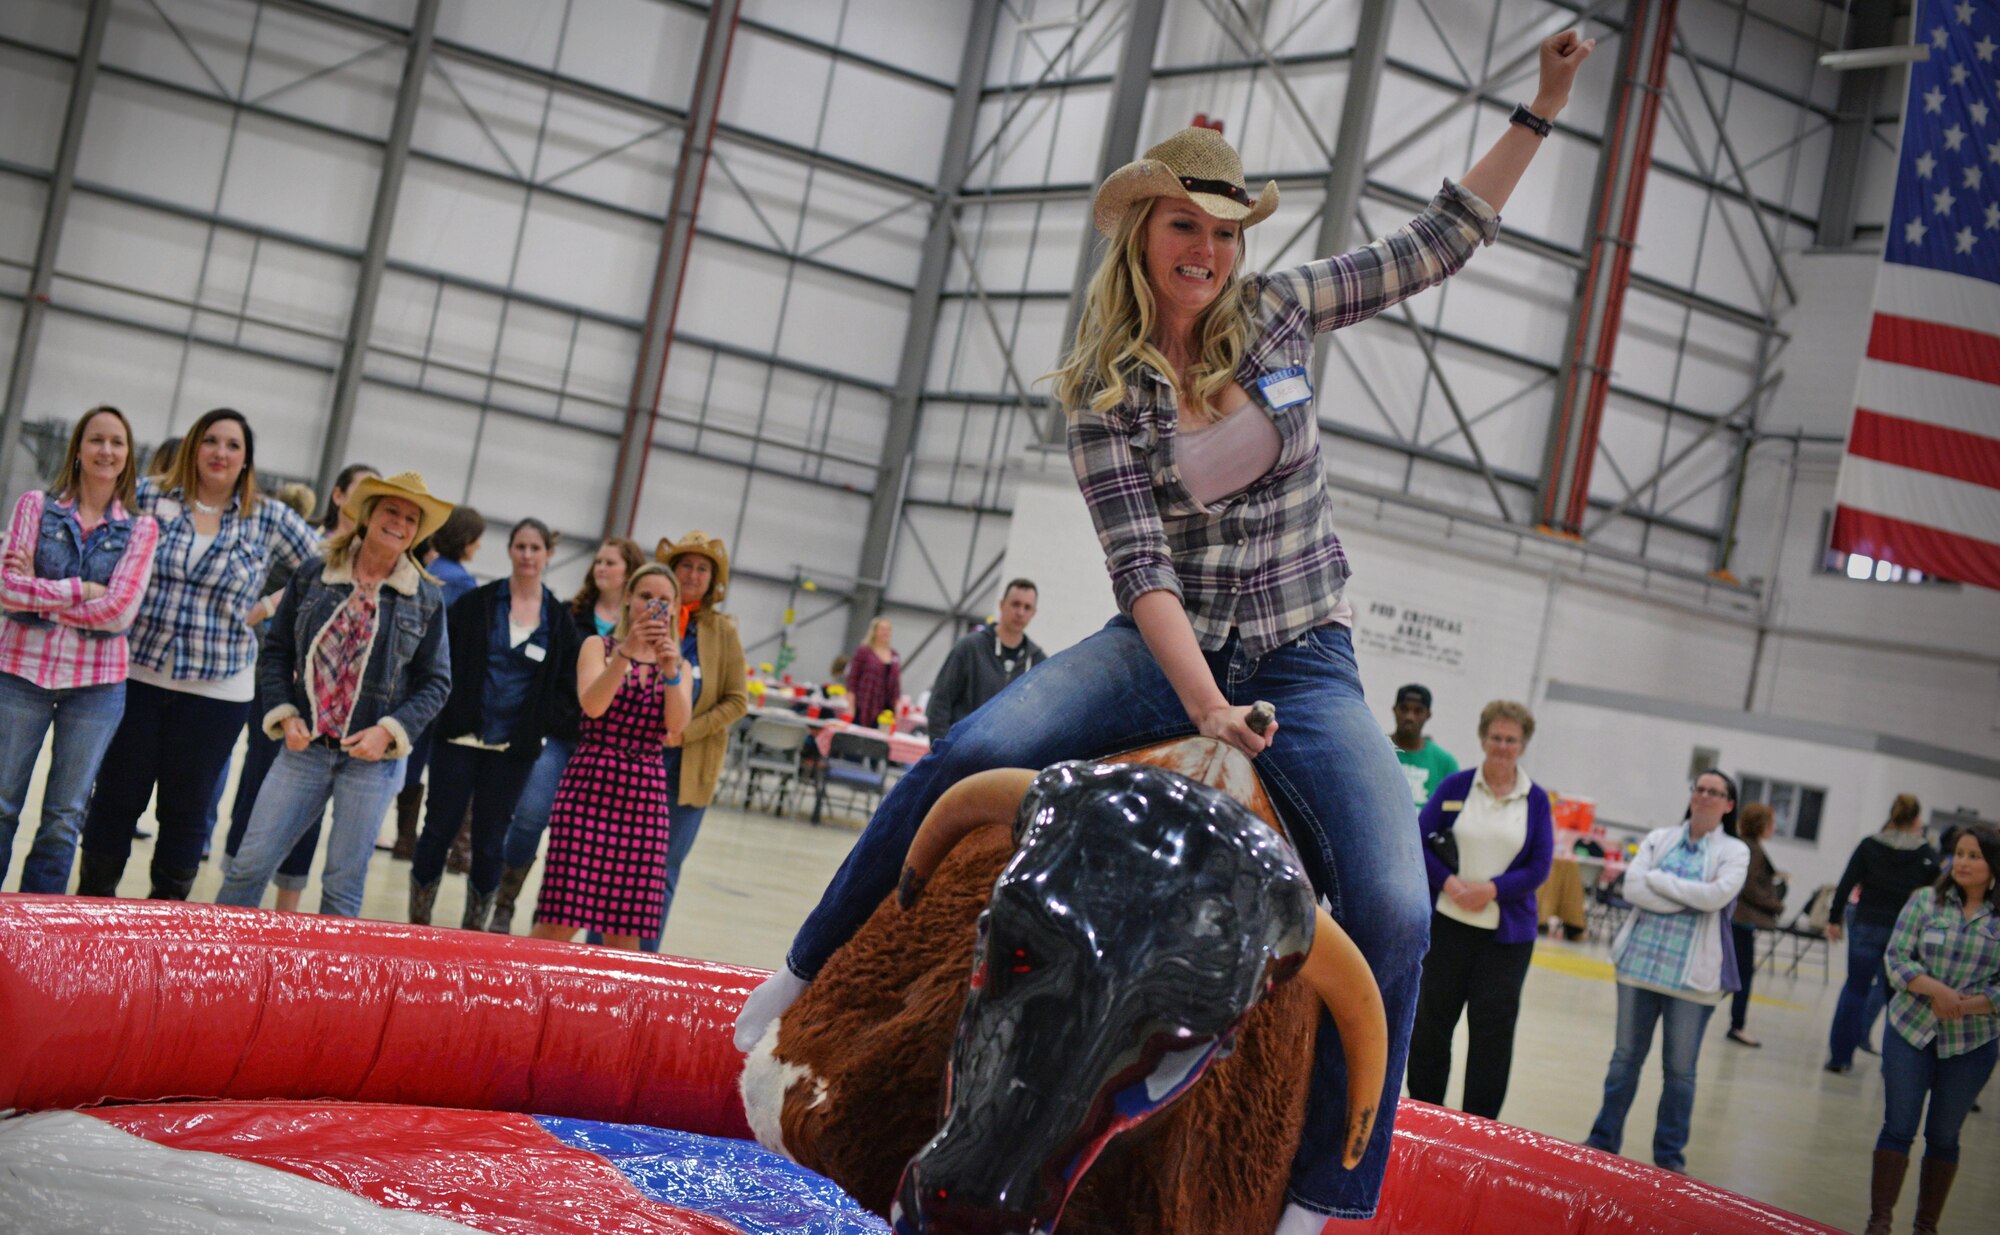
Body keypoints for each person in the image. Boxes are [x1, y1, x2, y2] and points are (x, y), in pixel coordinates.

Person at [734, 32, 1597, 1228]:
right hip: (1160, 646)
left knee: (1395, 907)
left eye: (1227, 230)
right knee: (966, 753)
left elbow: (1435, 243)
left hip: (1305, 656)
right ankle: (796, 974)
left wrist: (1542, 107)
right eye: (1185, 225)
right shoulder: (1102, 388)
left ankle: (1330, 1194)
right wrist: (1200, 706)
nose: (1207, 250)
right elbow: (1139, 569)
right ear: (1141, 229)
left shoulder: (1284, 312)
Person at [74, 408, 319, 900]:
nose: (220, 452)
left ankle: (166, 938)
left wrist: (269, 605)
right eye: (210, 440)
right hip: (135, 678)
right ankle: (91, 921)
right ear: (193, 447)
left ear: (246, 460)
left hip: (217, 692)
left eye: (233, 445)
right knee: (115, 802)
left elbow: (324, 565)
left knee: (186, 813)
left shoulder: (267, 517)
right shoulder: (147, 496)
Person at [215, 474, 453, 917]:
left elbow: (437, 683)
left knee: (343, 886)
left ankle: (329, 986)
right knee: (249, 866)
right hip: (304, 750)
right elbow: (277, 650)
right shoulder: (316, 573)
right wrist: (286, 715)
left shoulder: (424, 599)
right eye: (390, 511)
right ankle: (216, 970)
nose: (399, 523)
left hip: (371, 762)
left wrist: (388, 732)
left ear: (417, 532)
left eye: (410, 518)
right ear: (368, 516)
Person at [0, 407, 159, 892]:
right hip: (19, 672)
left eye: (117, 442)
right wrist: (84, 590)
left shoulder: (141, 528)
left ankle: (34, 935)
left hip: (95, 687)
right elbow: (7, 591)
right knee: (2, 804)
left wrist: (41, 593)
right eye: (96, 440)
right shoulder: (35, 506)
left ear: (128, 456)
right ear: (78, 448)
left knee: (64, 816)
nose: (106, 451)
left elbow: (119, 613)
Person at [408, 517, 579, 930]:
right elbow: (442, 662)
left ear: (548, 555)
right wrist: (451, 714)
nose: (527, 555)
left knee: (490, 843)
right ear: (509, 551)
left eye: (535, 548)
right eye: (520, 546)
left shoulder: (558, 619)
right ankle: (416, 923)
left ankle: (475, 930)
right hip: (459, 740)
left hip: (512, 752)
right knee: (437, 830)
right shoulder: (477, 604)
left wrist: (537, 724)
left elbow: (565, 685)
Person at [224, 462, 379, 912]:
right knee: (257, 787)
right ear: (337, 496)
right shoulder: (304, 544)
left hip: (332, 713)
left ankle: (288, 907)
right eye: (361, 493)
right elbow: (272, 605)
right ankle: (238, 892)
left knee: (310, 811)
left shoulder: (378, 567)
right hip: (280, 695)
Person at [1583, 770, 1748, 1173]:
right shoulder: (1660, 838)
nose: (1705, 796)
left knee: (1679, 1071)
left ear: (1729, 804)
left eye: (1716, 793)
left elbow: (1716, 897)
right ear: (1692, 795)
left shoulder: (1735, 852)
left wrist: (1660, 882)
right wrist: (1685, 895)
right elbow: (1633, 889)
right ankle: (1603, 1142)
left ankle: (1669, 1158)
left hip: (1692, 982)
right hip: (1638, 968)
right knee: (1624, 1060)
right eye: (1700, 789)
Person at [529, 564, 693, 949]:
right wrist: (626, 654)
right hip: (589, 785)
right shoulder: (597, 647)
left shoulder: (679, 666)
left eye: (663, 600)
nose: (653, 606)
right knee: (558, 920)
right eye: (645, 597)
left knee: (625, 931)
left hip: (643, 797)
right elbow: (593, 706)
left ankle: (609, 1010)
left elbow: (676, 727)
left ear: (673, 610)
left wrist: (669, 671)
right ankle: (520, 1000)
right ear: (628, 600)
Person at [487, 536, 645, 934]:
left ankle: (583, 921)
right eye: (598, 561)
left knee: (588, 840)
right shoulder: (569, 613)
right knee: (530, 817)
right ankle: (506, 901)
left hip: (610, 746)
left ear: (630, 572)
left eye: (610, 562)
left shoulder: (639, 625)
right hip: (562, 734)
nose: (601, 568)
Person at [1407, 700, 1553, 1120]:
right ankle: (1426, 1115)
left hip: (1505, 941)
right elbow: (1421, 839)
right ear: (1483, 739)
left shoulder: (1536, 801)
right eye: (1496, 738)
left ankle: (1479, 1126)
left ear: (1522, 745)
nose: (1502, 746)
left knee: (1492, 1035)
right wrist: (1449, 884)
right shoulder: (1455, 786)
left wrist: (1491, 889)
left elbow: (1539, 866)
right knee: (1431, 1027)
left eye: (1511, 740)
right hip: (1448, 929)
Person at [1864, 824, 1998, 1235]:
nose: (1962, 862)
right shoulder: (1925, 901)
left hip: (1972, 1041)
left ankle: (1926, 1227)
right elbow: (1897, 957)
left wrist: (1965, 1005)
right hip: (1910, 1028)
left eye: (1974, 855)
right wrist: (1937, 991)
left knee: (1943, 1136)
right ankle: (1880, 1223)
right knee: (1899, 1126)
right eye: (1959, 853)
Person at [391, 503, 483, 861]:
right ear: (467, 539)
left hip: (407, 676)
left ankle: (403, 838)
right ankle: (450, 847)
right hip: (438, 680)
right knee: (437, 760)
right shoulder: (461, 581)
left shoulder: (426, 569)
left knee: (409, 755)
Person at [1826, 794, 1941, 1074]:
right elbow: (1937, 895)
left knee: (1855, 989)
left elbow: (1846, 882)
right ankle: (1894, 1064)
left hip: (1866, 924)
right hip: (1904, 932)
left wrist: (1834, 918)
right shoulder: (1925, 854)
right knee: (1898, 999)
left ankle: (1840, 1058)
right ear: (1916, 819)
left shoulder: (1870, 845)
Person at [925, 579, 1045, 738]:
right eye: (1015, 604)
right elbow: (939, 704)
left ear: (1033, 613)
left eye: (1027, 607)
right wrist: (944, 754)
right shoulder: (969, 648)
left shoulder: (1038, 662)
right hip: (961, 755)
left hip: (1008, 760)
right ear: (1002, 605)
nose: (1020, 612)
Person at [1724, 802, 1785, 1047]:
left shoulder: (1744, 846)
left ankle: (1737, 1023)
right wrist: (1774, 904)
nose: (1774, 827)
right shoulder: (1753, 850)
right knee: (1741, 975)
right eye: (1771, 822)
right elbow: (1749, 886)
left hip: (1739, 919)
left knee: (1737, 973)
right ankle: (1737, 1026)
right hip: (1741, 920)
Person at [1389, 683, 1458, 809]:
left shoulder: (1445, 763)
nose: (1410, 717)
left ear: (1428, 715)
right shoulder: (1376, 750)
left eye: (1418, 711)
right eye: (1404, 709)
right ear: (1395, 710)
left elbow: (1453, 810)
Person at [844, 615, 901, 729]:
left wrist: (897, 708)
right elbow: (852, 679)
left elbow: (896, 686)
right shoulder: (864, 651)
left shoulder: (894, 655)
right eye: (882, 629)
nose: (886, 632)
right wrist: (850, 706)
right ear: (874, 631)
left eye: (888, 629)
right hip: (863, 703)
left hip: (885, 708)